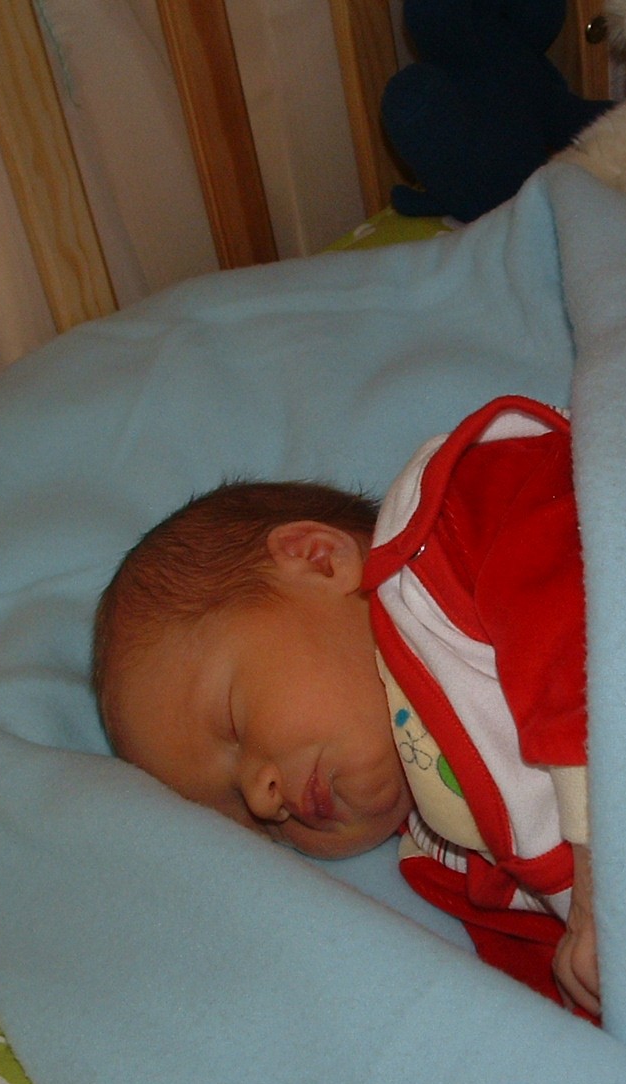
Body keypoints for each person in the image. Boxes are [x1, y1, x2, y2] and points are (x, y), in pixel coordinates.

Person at [93, 396, 600, 1016]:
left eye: (234, 723)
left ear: (319, 558)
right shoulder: (444, 862)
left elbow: (581, 620)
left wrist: (601, 862)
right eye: (250, 822)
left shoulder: (447, 536)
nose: (262, 797)